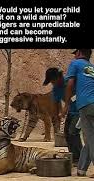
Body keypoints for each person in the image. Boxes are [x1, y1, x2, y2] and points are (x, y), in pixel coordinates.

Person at [62, 49, 94, 177]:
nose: (74, 55)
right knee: (89, 138)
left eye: (75, 53)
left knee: (91, 138)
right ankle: (81, 169)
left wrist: (66, 105)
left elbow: (70, 84)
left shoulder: (75, 64)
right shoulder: (92, 68)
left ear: (80, 52)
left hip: (86, 105)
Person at [43, 67, 82, 165]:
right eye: (51, 81)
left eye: (53, 80)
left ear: (59, 77)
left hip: (81, 110)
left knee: (73, 132)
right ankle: (73, 155)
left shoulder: (71, 82)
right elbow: (55, 104)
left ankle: (80, 158)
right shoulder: (56, 89)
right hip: (72, 112)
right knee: (66, 133)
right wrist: (57, 117)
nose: (52, 83)